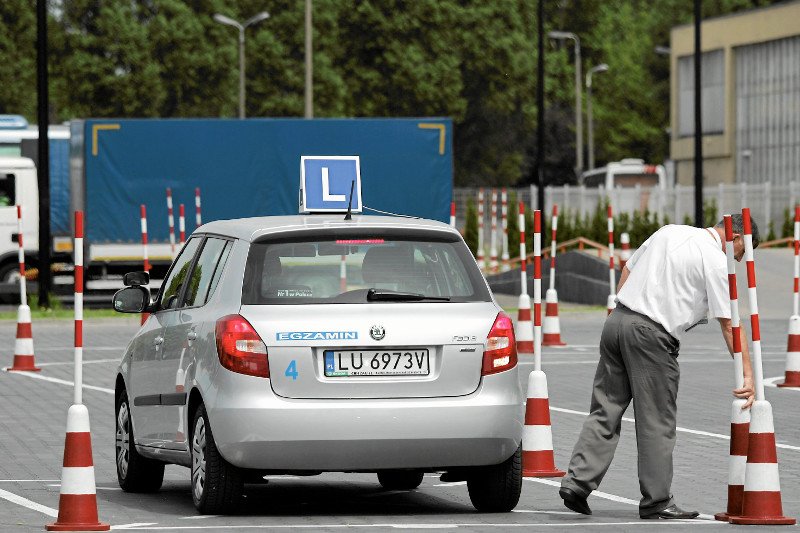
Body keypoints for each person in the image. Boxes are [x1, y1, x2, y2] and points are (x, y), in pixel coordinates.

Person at [559, 216, 757, 520]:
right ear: (738, 237)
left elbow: (628, 268)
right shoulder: (717, 261)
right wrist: (748, 374)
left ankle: (577, 482)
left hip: (618, 321)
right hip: (651, 335)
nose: (740, 260)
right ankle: (657, 500)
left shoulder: (669, 231)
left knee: (605, 408)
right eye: (744, 252)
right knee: (656, 420)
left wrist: (618, 312)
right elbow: (730, 325)